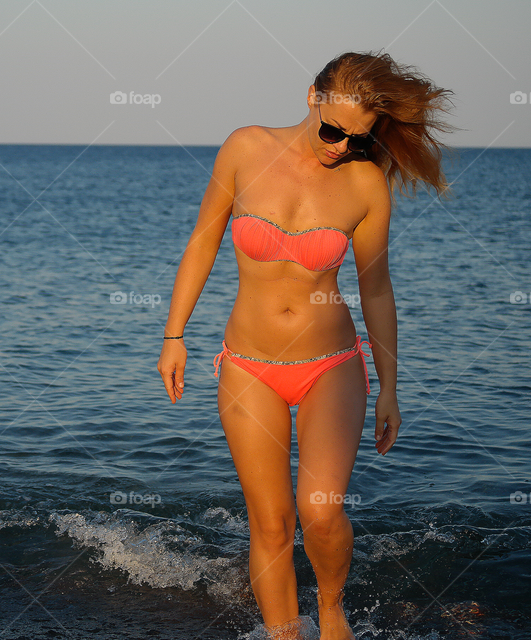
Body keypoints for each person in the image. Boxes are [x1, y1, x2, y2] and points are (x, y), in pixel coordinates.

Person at [157, 52, 453, 640]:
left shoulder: (364, 183)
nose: (341, 145)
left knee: (319, 514)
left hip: (331, 367)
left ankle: (333, 610)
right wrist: (174, 335)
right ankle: (284, 634)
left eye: (358, 136)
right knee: (270, 523)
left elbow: (376, 288)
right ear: (312, 97)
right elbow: (202, 241)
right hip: (247, 366)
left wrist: (391, 386)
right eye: (334, 130)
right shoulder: (244, 149)